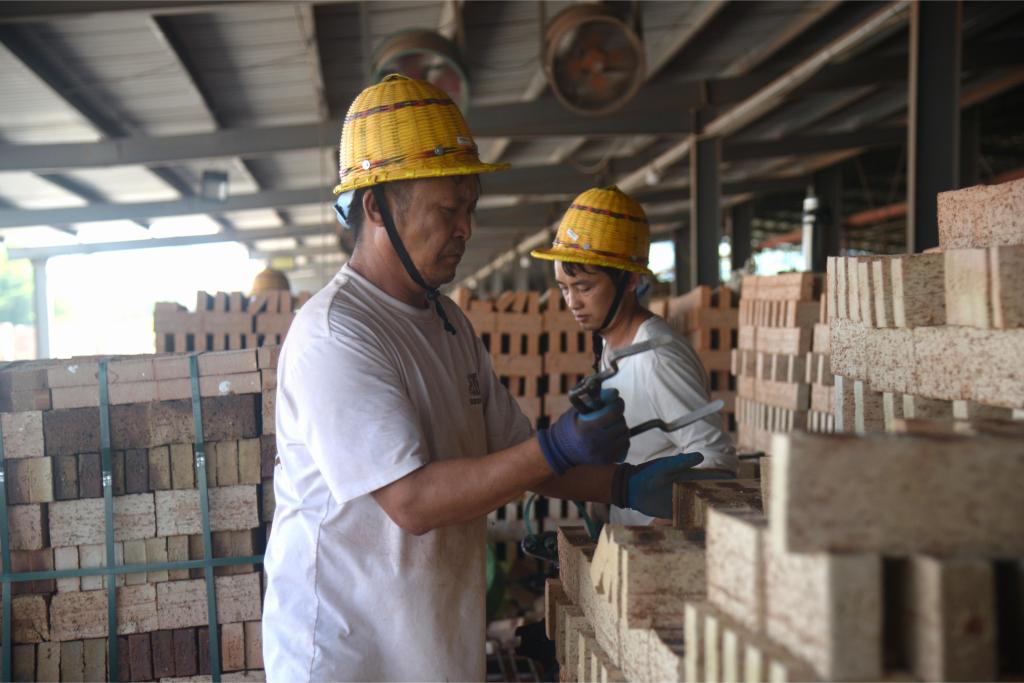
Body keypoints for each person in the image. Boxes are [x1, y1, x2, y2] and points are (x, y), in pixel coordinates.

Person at [261, 76, 709, 681]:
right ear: (376, 207)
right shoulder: (337, 334)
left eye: (470, 209)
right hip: (350, 653)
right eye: (449, 210)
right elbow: (412, 501)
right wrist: (558, 446)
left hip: (433, 639)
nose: (466, 229)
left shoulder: (448, 323)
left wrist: (621, 485)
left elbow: (514, 456)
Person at [531, 186, 738, 526]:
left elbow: (717, 464)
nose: (573, 303)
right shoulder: (611, 346)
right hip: (628, 540)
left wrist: (655, 540)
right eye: (564, 288)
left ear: (629, 280)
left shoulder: (657, 358)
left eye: (585, 287)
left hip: (656, 549)